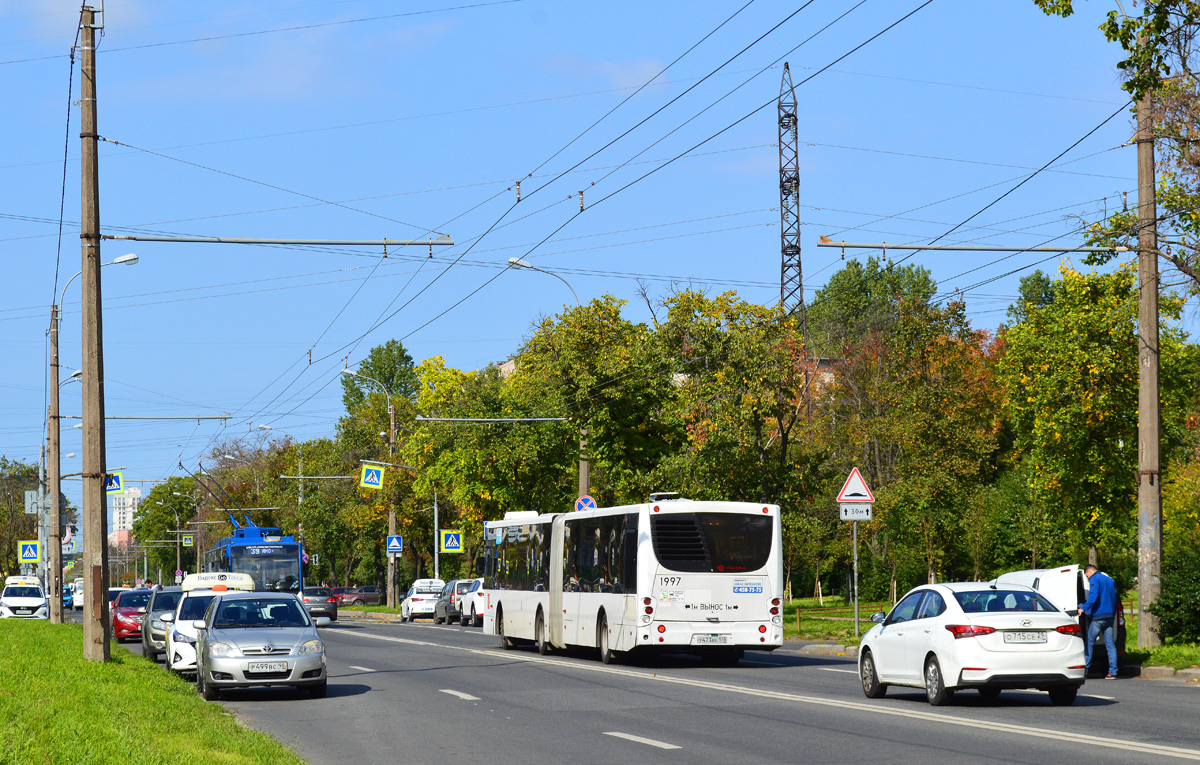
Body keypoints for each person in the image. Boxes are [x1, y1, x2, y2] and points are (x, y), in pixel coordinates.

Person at [1077, 564, 1119, 679]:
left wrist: (1083, 608)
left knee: (1089, 642)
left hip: (1098, 617)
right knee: (1110, 644)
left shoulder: (1095, 579)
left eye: (1087, 576)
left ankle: (1085, 671)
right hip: (1110, 616)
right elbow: (1114, 598)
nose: (1088, 578)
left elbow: (1093, 596)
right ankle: (1113, 672)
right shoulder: (1109, 580)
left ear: (1090, 572)